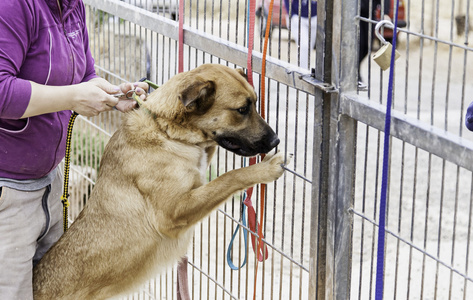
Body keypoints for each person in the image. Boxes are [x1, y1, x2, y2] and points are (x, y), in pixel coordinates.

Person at [0, 1, 148, 299]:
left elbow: (84, 73)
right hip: (9, 191)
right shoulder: (12, 7)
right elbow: (2, 92)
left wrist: (111, 94)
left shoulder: (71, 5)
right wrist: (72, 97)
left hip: (49, 184)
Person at [359, 0, 391, 80]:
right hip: (353, 13)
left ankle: (356, 70)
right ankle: (354, 74)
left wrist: (385, 12)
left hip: (369, 13)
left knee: (367, 46)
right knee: (359, 45)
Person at [283, 0, 317, 70]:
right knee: (304, 45)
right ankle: (302, 71)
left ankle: (303, 69)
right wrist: (292, 15)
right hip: (298, 17)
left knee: (309, 48)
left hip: (314, 17)